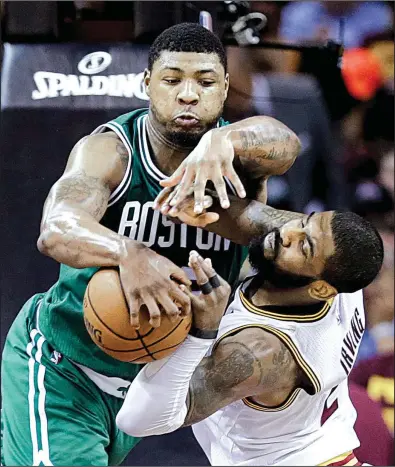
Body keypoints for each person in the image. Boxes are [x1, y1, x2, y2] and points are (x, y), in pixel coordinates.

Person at [0, 23, 301, 466]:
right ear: (146, 84)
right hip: (65, 367)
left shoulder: (240, 156)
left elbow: (285, 143)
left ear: (224, 88)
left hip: (146, 388)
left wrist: (223, 139)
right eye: (172, 79)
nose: (187, 94)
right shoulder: (111, 151)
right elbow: (58, 227)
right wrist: (129, 253)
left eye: (204, 82)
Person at [116, 192, 384, 466]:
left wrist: (202, 332)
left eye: (304, 246)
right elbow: (255, 217)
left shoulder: (256, 353)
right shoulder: (339, 274)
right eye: (305, 221)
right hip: (330, 451)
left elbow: (137, 420)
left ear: (320, 288)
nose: (288, 232)